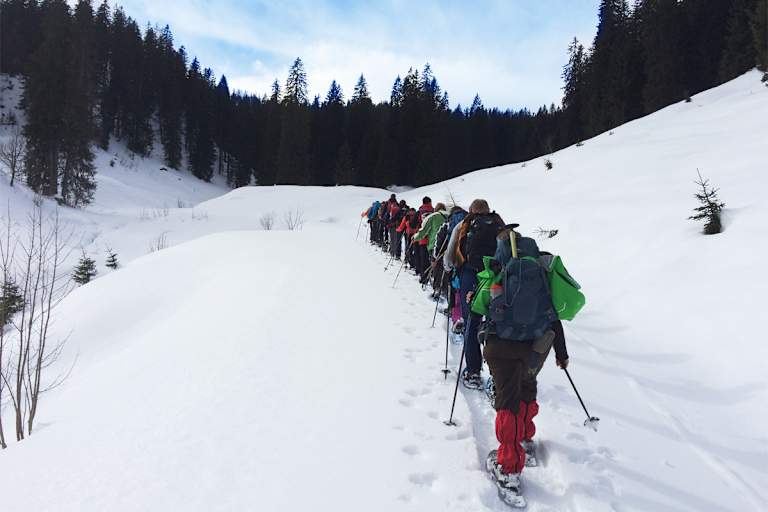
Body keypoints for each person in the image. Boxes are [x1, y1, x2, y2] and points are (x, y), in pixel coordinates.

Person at [444, 199, 504, 390]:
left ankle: (473, 372)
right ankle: (498, 375)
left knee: (472, 320)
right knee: (496, 320)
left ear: (471, 210)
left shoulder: (464, 224)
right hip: (495, 278)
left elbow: (450, 253)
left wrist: (449, 267)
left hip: (470, 275)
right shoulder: (500, 224)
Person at [413, 202, 447, 285]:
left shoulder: (434, 216)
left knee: (436, 266)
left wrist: (415, 237)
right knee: (445, 267)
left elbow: (423, 231)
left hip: (435, 244)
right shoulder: (450, 215)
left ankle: (436, 285)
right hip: (448, 245)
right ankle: (444, 286)